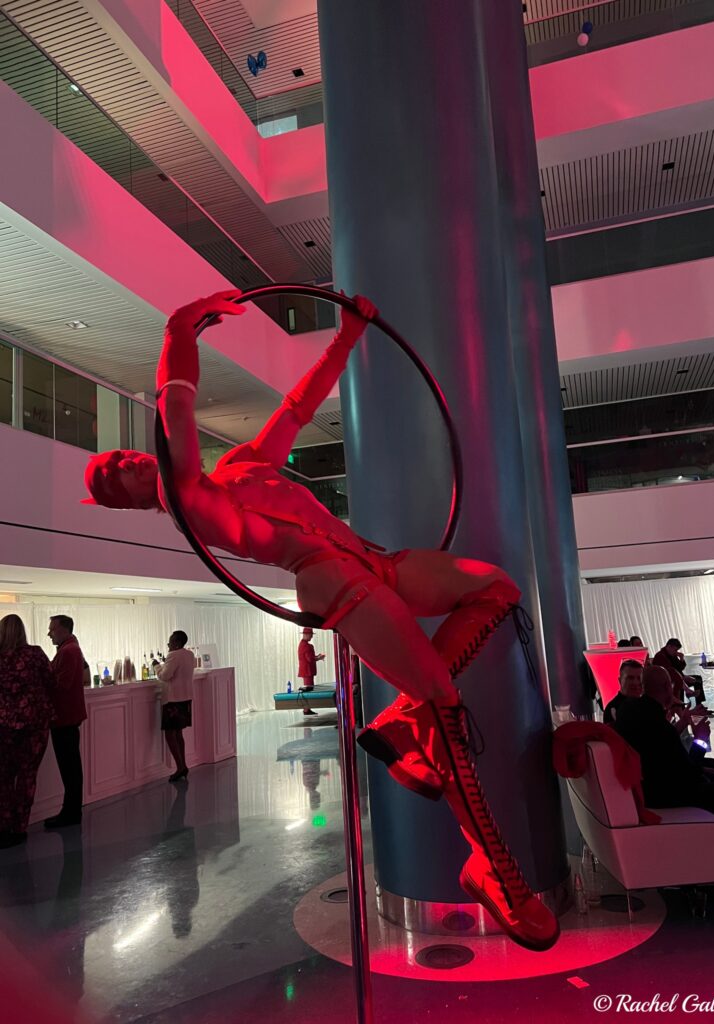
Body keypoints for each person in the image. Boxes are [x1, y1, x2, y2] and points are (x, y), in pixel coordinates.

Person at [80, 290, 558, 952]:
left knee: (496, 588)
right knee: (442, 697)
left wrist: (348, 335)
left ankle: (400, 722)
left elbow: (296, 410)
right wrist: (178, 333)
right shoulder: (189, 499)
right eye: (115, 475)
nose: (124, 460)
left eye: (117, 455)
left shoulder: (238, 466)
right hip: (331, 577)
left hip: (372, 560)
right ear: (129, 503)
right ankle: (491, 865)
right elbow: (178, 425)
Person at [615, 666, 714, 889]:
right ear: (667, 688)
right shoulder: (657, 723)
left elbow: (666, 755)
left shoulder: (633, 710)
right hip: (662, 793)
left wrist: (698, 766)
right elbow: (685, 774)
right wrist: (700, 740)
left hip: (647, 782)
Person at [0, 614, 54, 848]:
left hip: (3, 726)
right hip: (34, 725)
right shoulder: (35, 655)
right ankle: (19, 827)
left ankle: (3, 826)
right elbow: (51, 682)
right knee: (27, 776)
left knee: (3, 778)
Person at [46, 615, 87, 828]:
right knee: (71, 766)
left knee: (69, 767)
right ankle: (71, 810)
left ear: (64, 629)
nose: (49, 633)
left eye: (52, 629)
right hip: (67, 717)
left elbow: (62, 684)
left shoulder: (68, 651)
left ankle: (70, 812)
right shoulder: (71, 649)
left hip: (64, 717)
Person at [156, 630, 196, 782]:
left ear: (177, 643)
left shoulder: (173, 655)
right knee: (178, 733)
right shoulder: (190, 655)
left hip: (173, 700)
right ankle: (182, 765)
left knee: (170, 734)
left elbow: (165, 676)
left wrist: (157, 666)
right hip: (185, 698)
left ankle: (180, 767)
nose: (168, 645)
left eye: (170, 642)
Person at [603, 658, 644, 727]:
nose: (635, 682)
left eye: (639, 678)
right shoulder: (612, 708)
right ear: (620, 681)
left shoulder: (648, 705)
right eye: (630, 678)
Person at [298, 626, 326, 716]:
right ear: (306, 634)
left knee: (308, 689)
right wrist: (319, 658)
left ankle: (307, 709)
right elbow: (310, 659)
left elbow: (309, 657)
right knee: (308, 690)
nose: (311, 637)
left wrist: (317, 656)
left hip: (306, 670)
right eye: (310, 635)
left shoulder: (302, 644)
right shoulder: (307, 646)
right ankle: (306, 710)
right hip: (308, 671)